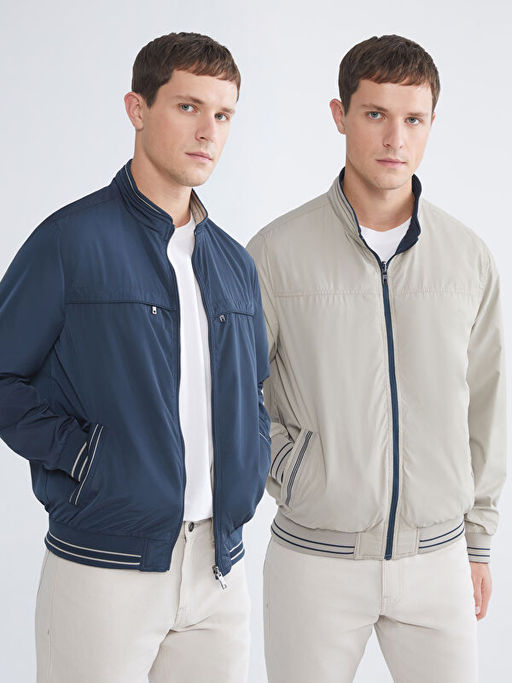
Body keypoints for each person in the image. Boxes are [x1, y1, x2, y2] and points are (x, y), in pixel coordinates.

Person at [0, 31, 270, 683]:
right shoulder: (71, 241)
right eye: (188, 106)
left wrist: (251, 465)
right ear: (138, 108)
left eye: (223, 114)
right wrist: (81, 456)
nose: (208, 131)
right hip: (104, 568)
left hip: (218, 570)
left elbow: (254, 393)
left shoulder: (234, 264)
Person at [247, 34, 506, 683]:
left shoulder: (468, 258)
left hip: (438, 560)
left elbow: (488, 401)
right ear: (340, 115)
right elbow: (234, 393)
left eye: (413, 119)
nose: (395, 138)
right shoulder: (275, 253)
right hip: (315, 560)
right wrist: (294, 470)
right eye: (375, 114)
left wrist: (478, 539)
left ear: (432, 123)